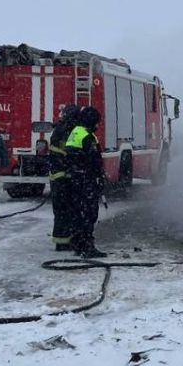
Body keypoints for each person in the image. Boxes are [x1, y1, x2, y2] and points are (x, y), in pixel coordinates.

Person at [50, 106, 107, 257]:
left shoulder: (75, 132)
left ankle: (78, 244)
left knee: (76, 213)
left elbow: (72, 157)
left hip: (76, 180)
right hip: (85, 181)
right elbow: (92, 160)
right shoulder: (86, 135)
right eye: (96, 122)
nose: (97, 125)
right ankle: (87, 247)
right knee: (88, 214)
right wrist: (98, 177)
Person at [49, 104, 81, 251]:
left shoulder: (60, 129)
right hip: (63, 177)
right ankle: (65, 241)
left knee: (61, 211)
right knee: (67, 209)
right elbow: (64, 153)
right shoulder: (68, 130)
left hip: (58, 177)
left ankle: (62, 241)